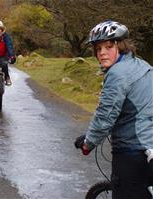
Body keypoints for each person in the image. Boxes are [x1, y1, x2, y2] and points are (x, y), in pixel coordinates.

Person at [74, 20, 153, 199]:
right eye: (98, 49)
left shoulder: (118, 74)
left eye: (108, 46)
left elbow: (105, 115)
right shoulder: (143, 65)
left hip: (133, 151)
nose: (102, 53)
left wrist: (88, 143)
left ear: (121, 46)